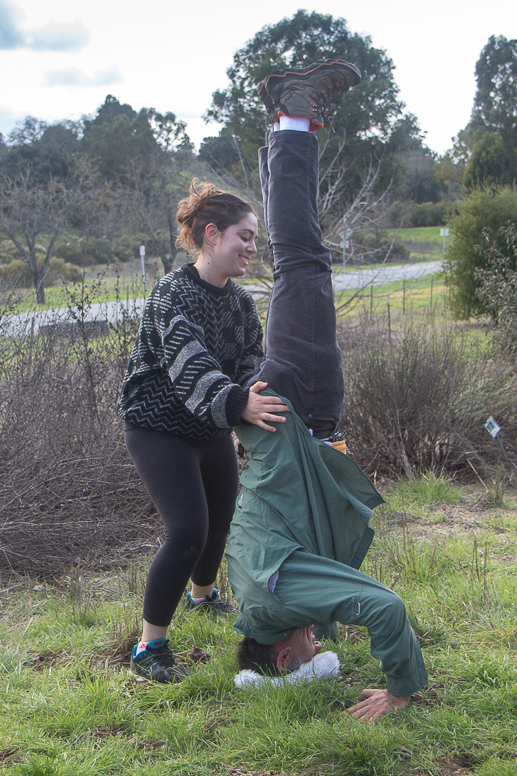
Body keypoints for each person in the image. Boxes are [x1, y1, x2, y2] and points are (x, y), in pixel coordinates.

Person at [226, 60, 428, 721]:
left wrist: (399, 688)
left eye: (310, 650)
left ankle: (292, 115)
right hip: (289, 423)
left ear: (284, 658)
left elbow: (383, 606)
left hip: (300, 413)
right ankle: (288, 121)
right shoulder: (255, 602)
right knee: (297, 265)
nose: (320, 643)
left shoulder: (279, 597)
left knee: (302, 262)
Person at [117, 181, 288, 683]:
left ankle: (203, 595)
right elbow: (190, 366)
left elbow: (252, 361)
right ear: (212, 235)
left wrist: (258, 394)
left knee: (221, 520)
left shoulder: (241, 303)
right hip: (157, 427)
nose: (252, 247)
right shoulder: (172, 293)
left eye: (255, 238)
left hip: (208, 423)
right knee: (188, 531)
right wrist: (239, 404)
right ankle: (148, 646)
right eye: (244, 236)